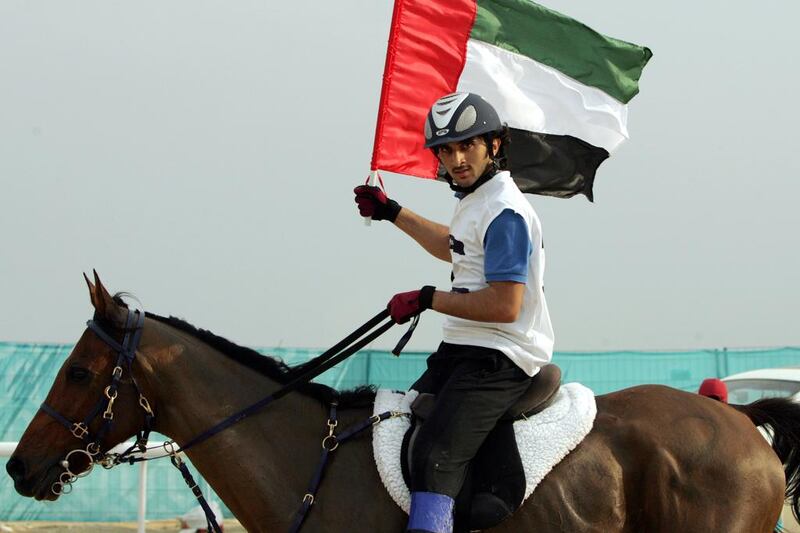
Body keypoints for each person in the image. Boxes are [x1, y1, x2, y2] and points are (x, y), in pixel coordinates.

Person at [354, 92, 554, 533]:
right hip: (462, 349)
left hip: (500, 356)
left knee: (434, 457)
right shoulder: (478, 198)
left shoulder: (505, 211)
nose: (457, 158)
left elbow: (505, 305)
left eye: (467, 146)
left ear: (494, 145)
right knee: (400, 433)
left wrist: (427, 298)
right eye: (446, 150)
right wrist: (391, 212)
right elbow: (455, 247)